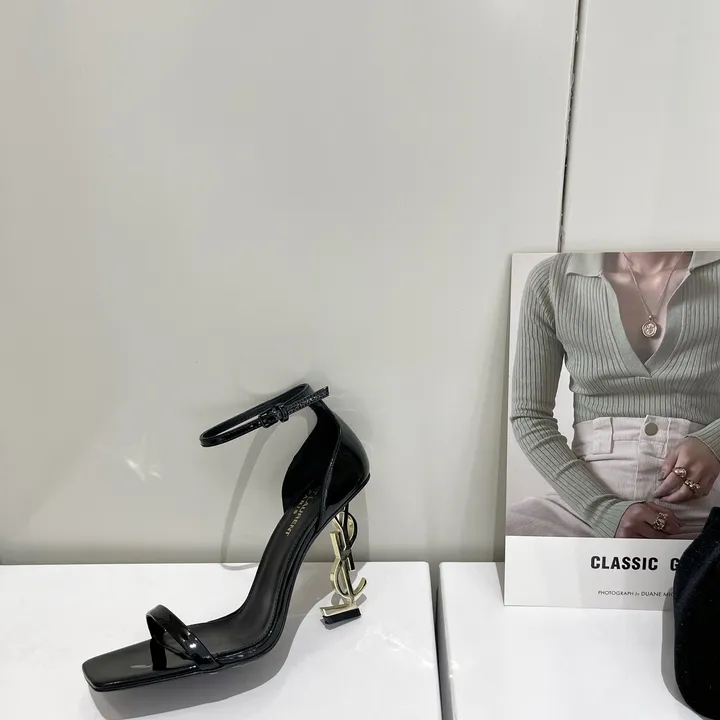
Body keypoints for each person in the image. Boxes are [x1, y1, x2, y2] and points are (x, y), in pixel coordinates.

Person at [507, 251, 720, 539]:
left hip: (709, 508)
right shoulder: (553, 279)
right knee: (502, 541)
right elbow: (529, 415)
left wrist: (714, 442)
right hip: (582, 508)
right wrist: (602, 510)